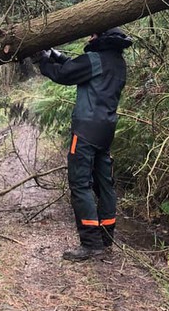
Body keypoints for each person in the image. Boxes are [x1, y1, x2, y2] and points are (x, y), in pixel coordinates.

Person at [35, 27, 132, 261]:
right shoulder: (118, 62)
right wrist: (55, 55)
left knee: (80, 184)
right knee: (104, 184)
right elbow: (78, 68)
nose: (90, 38)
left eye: (94, 34)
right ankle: (106, 237)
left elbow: (65, 75)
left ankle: (90, 243)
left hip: (86, 130)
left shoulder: (95, 59)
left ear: (102, 37)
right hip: (106, 129)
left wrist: (41, 60)